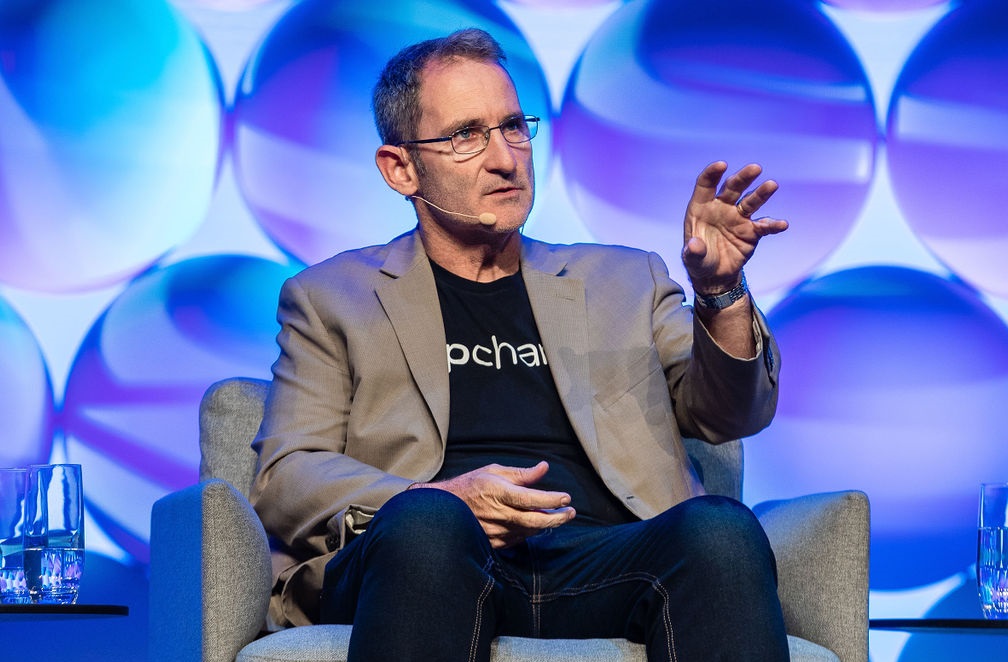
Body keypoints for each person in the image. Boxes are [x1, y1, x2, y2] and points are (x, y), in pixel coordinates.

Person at [250, 27, 791, 662]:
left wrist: (720, 293)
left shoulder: (625, 279)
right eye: (465, 135)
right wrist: (435, 500)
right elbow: (287, 474)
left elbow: (729, 416)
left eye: (513, 127)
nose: (505, 158)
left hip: (606, 556)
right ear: (401, 168)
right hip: (425, 559)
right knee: (430, 527)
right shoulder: (333, 296)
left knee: (720, 530)